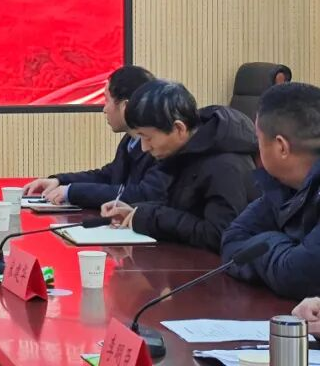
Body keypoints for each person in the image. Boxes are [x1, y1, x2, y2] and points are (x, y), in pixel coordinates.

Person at [101, 80, 259, 253]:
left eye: (147, 137)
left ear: (179, 128)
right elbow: (181, 208)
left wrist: (148, 217)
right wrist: (136, 211)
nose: (144, 148)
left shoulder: (224, 166)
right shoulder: (186, 152)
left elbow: (218, 235)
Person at [222, 82, 320, 299]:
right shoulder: (283, 185)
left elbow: (299, 275)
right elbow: (233, 240)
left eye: (258, 139)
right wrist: (286, 248)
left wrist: (267, 243)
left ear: (281, 147)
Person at [22, 66, 170, 208]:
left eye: (106, 100)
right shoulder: (129, 141)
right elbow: (108, 176)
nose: (104, 109)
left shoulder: (161, 147)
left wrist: (71, 192)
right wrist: (60, 181)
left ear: (125, 106)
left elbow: (141, 194)